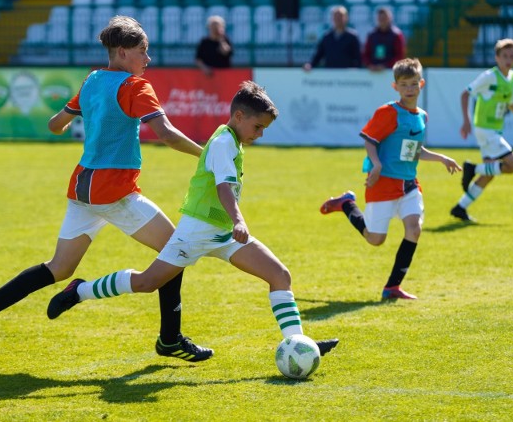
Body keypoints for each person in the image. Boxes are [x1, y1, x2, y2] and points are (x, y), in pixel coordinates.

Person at [0, 15, 214, 362]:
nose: (148, 59)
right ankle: (169, 340)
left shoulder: (93, 79)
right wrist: (207, 156)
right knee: (176, 252)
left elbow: (55, 124)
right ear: (123, 52)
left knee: (59, 268)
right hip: (114, 192)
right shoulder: (134, 86)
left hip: (83, 188)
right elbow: (166, 133)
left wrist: (80, 124)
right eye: (143, 51)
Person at [47, 81, 339, 357]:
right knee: (148, 282)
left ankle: (298, 345)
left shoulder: (234, 141)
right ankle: (80, 290)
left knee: (280, 276)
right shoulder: (223, 143)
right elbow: (222, 186)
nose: (260, 134)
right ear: (239, 116)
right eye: (258, 126)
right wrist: (238, 220)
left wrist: (232, 224)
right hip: (197, 230)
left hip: (223, 233)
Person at [320, 58, 461, 300]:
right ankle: (346, 204)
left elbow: (413, 150)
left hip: (409, 184)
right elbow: (370, 140)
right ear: (395, 86)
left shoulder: (422, 116)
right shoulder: (388, 112)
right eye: (404, 84)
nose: (409, 89)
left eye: (414, 84)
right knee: (375, 239)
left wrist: (442, 159)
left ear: (422, 84)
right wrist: (376, 164)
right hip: (382, 184)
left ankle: (392, 287)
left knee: (414, 229)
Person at [450, 38, 513, 222]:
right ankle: (472, 168)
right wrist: (466, 121)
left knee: (489, 174)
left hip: (495, 129)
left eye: (512, 56)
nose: (508, 60)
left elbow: (511, 104)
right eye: (504, 56)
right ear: (497, 57)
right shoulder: (489, 76)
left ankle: (460, 207)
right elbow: (465, 93)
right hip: (485, 129)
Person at [303, 5, 361, 71]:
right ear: (332, 18)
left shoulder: (353, 37)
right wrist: (310, 65)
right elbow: (318, 55)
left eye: (340, 16)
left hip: (347, 77)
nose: (338, 19)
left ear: (346, 18)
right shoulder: (326, 37)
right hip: (330, 76)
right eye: (336, 16)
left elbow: (358, 59)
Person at [362, 7, 406, 72]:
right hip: (373, 73)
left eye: (384, 18)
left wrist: (386, 66)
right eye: (380, 18)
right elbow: (365, 54)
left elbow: (400, 56)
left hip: (391, 72)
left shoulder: (397, 35)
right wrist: (370, 65)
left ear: (390, 18)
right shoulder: (371, 35)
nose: (382, 20)